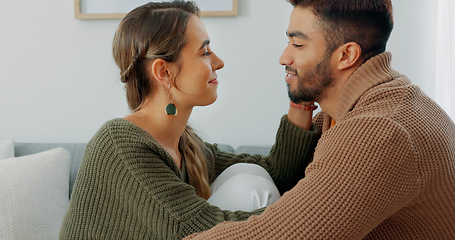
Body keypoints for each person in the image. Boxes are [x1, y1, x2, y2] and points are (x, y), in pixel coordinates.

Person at [185, 0, 455, 239]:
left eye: (298, 44)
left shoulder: (379, 131)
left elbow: (284, 233)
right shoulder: (362, 106)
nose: (284, 57)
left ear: (346, 55)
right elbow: (284, 174)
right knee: (246, 175)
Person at [59, 1, 320, 239]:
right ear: (164, 71)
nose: (219, 62)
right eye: (205, 52)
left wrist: (303, 95)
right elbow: (197, 229)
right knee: (248, 187)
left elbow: (277, 173)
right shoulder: (120, 145)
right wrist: (327, 214)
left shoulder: (184, 143)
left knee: (249, 174)